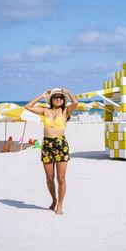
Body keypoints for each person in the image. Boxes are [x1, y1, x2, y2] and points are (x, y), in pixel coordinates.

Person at [25, 87, 78, 215]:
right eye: (55, 97)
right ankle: (54, 199)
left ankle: (59, 205)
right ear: (51, 99)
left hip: (60, 144)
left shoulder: (66, 111)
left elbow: (75, 102)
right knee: (49, 178)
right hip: (47, 145)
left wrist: (68, 92)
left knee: (61, 178)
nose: (58, 99)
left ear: (63, 100)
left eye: (61, 97)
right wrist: (41, 96)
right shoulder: (45, 111)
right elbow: (28, 106)